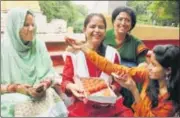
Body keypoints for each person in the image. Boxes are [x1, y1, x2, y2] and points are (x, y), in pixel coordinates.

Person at [65, 38, 180, 117]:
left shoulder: (171, 99)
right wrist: (85, 49)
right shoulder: (147, 74)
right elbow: (114, 68)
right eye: (149, 63)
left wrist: (133, 89)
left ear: (168, 70)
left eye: (154, 65)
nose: (148, 67)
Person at [61, 13, 133, 117]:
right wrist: (72, 86)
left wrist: (112, 88)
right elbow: (65, 81)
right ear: (84, 29)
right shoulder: (73, 54)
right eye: (92, 26)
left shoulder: (113, 54)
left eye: (101, 27)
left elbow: (118, 82)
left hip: (110, 106)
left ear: (105, 32)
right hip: (83, 106)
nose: (97, 30)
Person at [1, 8, 68, 117]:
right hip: (11, 94)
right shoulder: (3, 48)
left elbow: (49, 73)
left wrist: (43, 85)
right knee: (21, 102)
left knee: (51, 93)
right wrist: (16, 88)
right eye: (26, 25)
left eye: (33, 24)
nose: (31, 29)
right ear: (14, 27)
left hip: (37, 93)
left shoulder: (38, 44)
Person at [104, 6, 149, 107]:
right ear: (114, 21)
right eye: (120, 19)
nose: (123, 23)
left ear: (132, 24)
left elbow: (143, 63)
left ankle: (133, 108)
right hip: (106, 76)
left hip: (128, 79)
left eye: (127, 20)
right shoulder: (103, 36)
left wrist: (133, 70)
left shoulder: (136, 43)